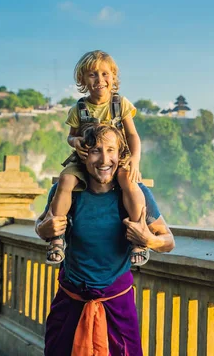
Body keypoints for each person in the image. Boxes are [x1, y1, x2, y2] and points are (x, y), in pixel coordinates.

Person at [35, 123, 175, 356]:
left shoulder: (134, 193)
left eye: (111, 150)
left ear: (120, 155)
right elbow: (41, 225)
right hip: (71, 298)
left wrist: (147, 239)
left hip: (116, 303)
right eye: (96, 150)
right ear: (83, 154)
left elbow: (168, 241)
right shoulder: (68, 191)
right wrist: (45, 229)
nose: (104, 160)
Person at [47, 50, 148, 267]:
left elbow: (132, 135)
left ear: (113, 77)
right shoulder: (79, 108)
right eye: (92, 75)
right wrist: (75, 143)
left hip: (116, 159)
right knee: (65, 180)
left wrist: (135, 159)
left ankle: (139, 238)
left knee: (128, 182)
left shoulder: (120, 104)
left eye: (105, 74)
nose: (99, 80)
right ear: (83, 80)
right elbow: (71, 135)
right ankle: (56, 237)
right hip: (84, 159)